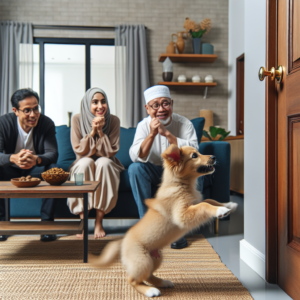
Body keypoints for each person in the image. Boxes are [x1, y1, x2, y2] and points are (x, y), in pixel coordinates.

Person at [128, 85, 204, 249]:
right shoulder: (143, 125)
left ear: (171, 103)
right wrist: (152, 134)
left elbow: (194, 153)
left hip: (177, 174)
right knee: (135, 169)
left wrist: (167, 135)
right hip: (154, 172)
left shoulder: (184, 123)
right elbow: (135, 155)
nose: (161, 109)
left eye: (165, 103)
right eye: (155, 105)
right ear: (147, 108)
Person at [0, 88, 59, 242]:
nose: (33, 115)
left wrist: (36, 159)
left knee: (52, 168)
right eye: (27, 110)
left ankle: (47, 226)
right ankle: (1, 224)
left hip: (35, 169)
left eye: (36, 109)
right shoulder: (3, 123)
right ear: (16, 111)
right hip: (9, 170)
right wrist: (13, 158)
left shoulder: (46, 123)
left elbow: (53, 153)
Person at [67, 87, 124, 239]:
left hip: (107, 161)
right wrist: (92, 132)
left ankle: (99, 221)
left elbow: (110, 152)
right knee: (84, 164)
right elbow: (79, 151)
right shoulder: (77, 119)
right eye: (95, 102)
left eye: (103, 101)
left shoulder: (114, 120)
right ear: (87, 104)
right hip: (82, 161)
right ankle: (83, 222)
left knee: (103, 163)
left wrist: (101, 133)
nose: (100, 106)